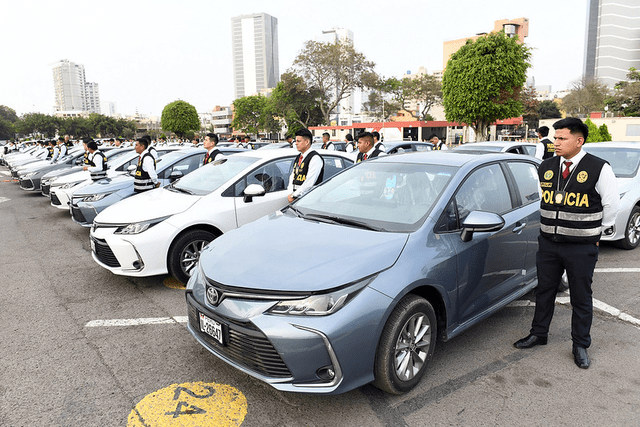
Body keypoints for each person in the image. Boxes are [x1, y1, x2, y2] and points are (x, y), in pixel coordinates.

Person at [513, 117, 619, 370]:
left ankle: (580, 344)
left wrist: (594, 235)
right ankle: (539, 334)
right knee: (544, 291)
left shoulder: (598, 168)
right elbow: (544, 199)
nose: (556, 142)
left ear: (579, 140)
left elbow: (611, 206)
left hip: (581, 246)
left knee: (581, 297)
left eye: (562, 138)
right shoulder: (546, 166)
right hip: (549, 243)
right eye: (555, 138)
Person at [287, 129, 324, 203]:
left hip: (308, 198)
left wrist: (295, 195)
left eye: (299, 141)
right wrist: (290, 193)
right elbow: (293, 176)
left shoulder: (315, 158)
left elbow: (310, 182)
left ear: (307, 142)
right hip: (296, 197)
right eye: (296, 141)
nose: (296, 144)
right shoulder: (299, 157)